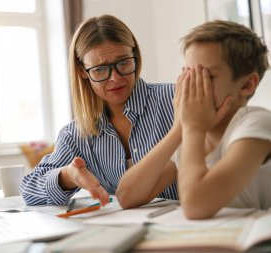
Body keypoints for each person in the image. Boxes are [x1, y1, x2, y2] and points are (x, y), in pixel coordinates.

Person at [116, 20, 271, 219]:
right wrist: (178, 129)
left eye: (206, 76)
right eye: (187, 73)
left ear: (247, 84)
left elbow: (195, 206)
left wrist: (193, 129)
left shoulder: (256, 123)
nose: (191, 85)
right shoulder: (191, 135)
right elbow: (126, 196)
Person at [19, 15, 179, 206]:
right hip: (124, 231)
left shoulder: (175, 100)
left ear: (135, 56)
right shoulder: (76, 135)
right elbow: (29, 190)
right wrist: (68, 176)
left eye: (123, 63)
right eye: (100, 69)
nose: (115, 78)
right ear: (82, 71)